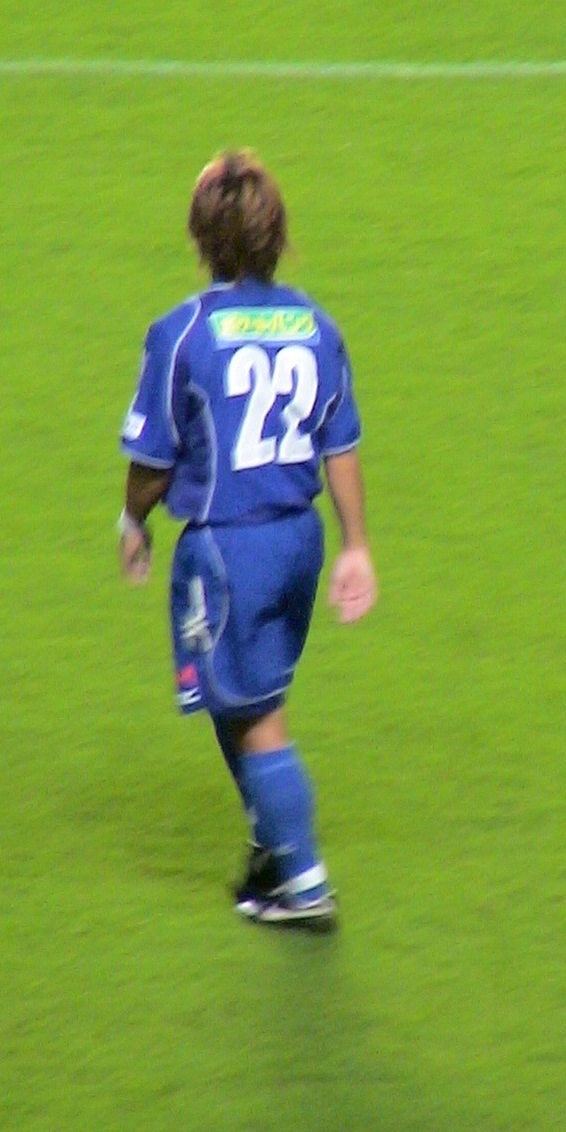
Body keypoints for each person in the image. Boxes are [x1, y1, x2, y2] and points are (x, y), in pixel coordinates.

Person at [117, 151, 377, 932]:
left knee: (256, 713)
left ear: (200, 236)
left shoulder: (182, 334)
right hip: (299, 542)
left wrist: (132, 522)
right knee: (244, 695)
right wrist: (356, 545)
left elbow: (152, 461)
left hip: (229, 550)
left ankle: (304, 881)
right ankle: (271, 851)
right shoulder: (317, 325)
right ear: (278, 233)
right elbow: (341, 445)